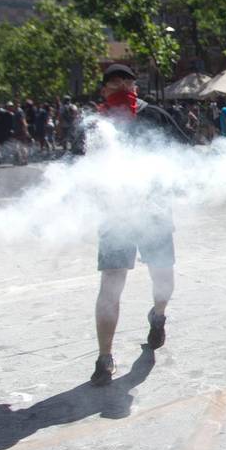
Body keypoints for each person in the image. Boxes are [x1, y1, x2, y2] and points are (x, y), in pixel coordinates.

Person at [90, 63, 193, 386]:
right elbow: (78, 169)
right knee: (110, 287)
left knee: (163, 277)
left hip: (154, 213)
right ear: (104, 90)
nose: (120, 87)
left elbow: (184, 153)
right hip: (115, 218)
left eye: (126, 82)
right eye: (113, 83)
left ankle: (158, 315)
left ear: (135, 87)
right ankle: (104, 357)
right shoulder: (95, 124)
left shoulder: (155, 116)